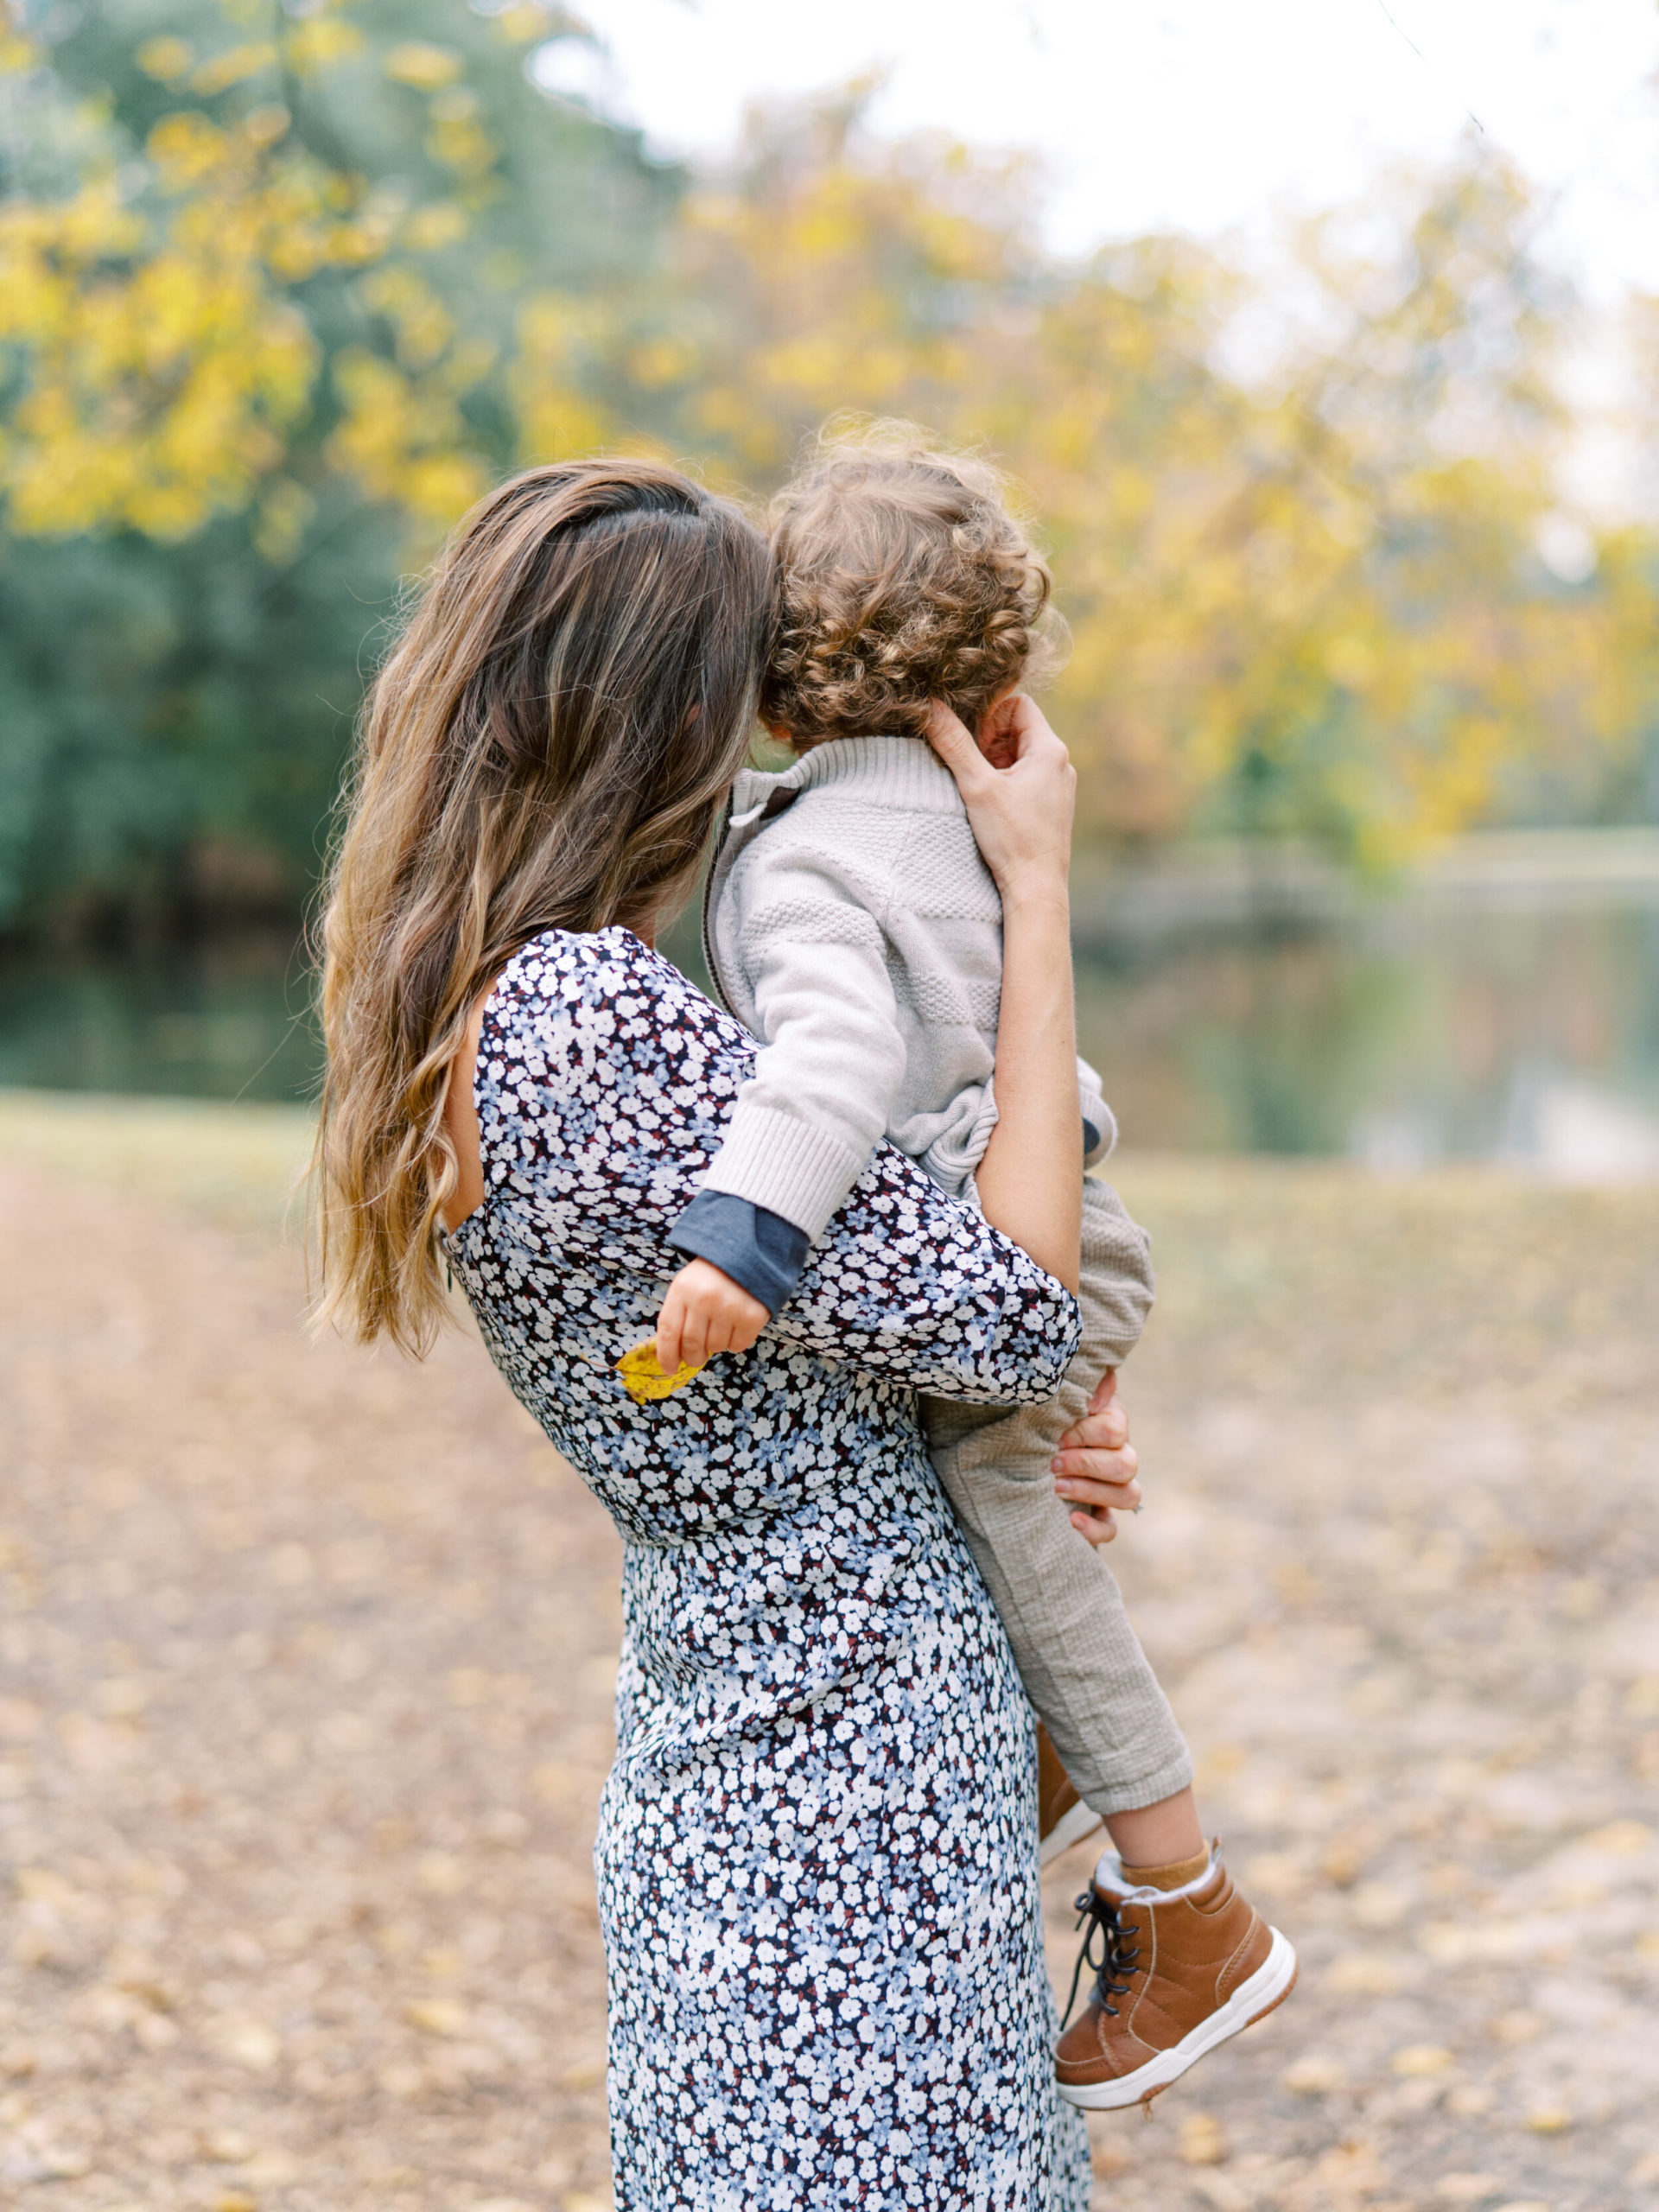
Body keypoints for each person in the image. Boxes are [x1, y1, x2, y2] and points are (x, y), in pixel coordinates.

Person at [312, 457, 1145, 2209]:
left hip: (735, 1762)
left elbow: (833, 1374)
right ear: (670, 723)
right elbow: (1009, 1315)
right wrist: (1035, 884)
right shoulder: (600, 1021)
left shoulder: (485, 1009)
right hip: (849, 1794)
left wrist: (1002, 1464)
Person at [650, 425, 1296, 2110]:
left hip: (1031, 1249)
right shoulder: (973, 813)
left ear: (780, 694)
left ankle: (1193, 1903)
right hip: (1079, 1214)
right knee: (1020, 1492)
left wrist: (745, 1228)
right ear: (1004, 677)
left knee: (1013, 1500)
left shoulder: (804, 859)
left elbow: (831, 1061)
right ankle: (1064, 1762)